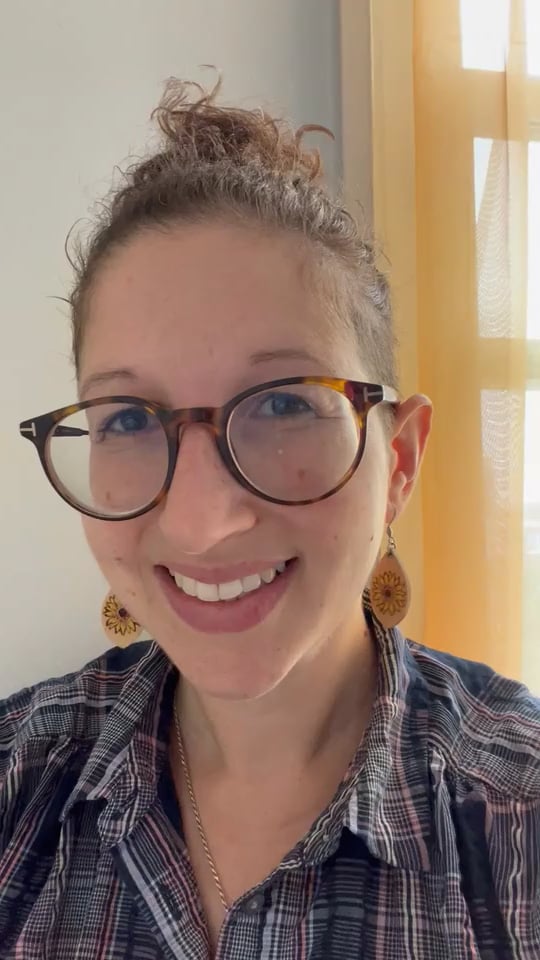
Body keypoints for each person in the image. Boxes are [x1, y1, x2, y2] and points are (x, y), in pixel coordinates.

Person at [1, 78, 539, 960]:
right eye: (128, 419)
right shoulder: (18, 785)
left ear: (400, 461)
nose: (203, 521)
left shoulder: (516, 818)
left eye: (285, 404)